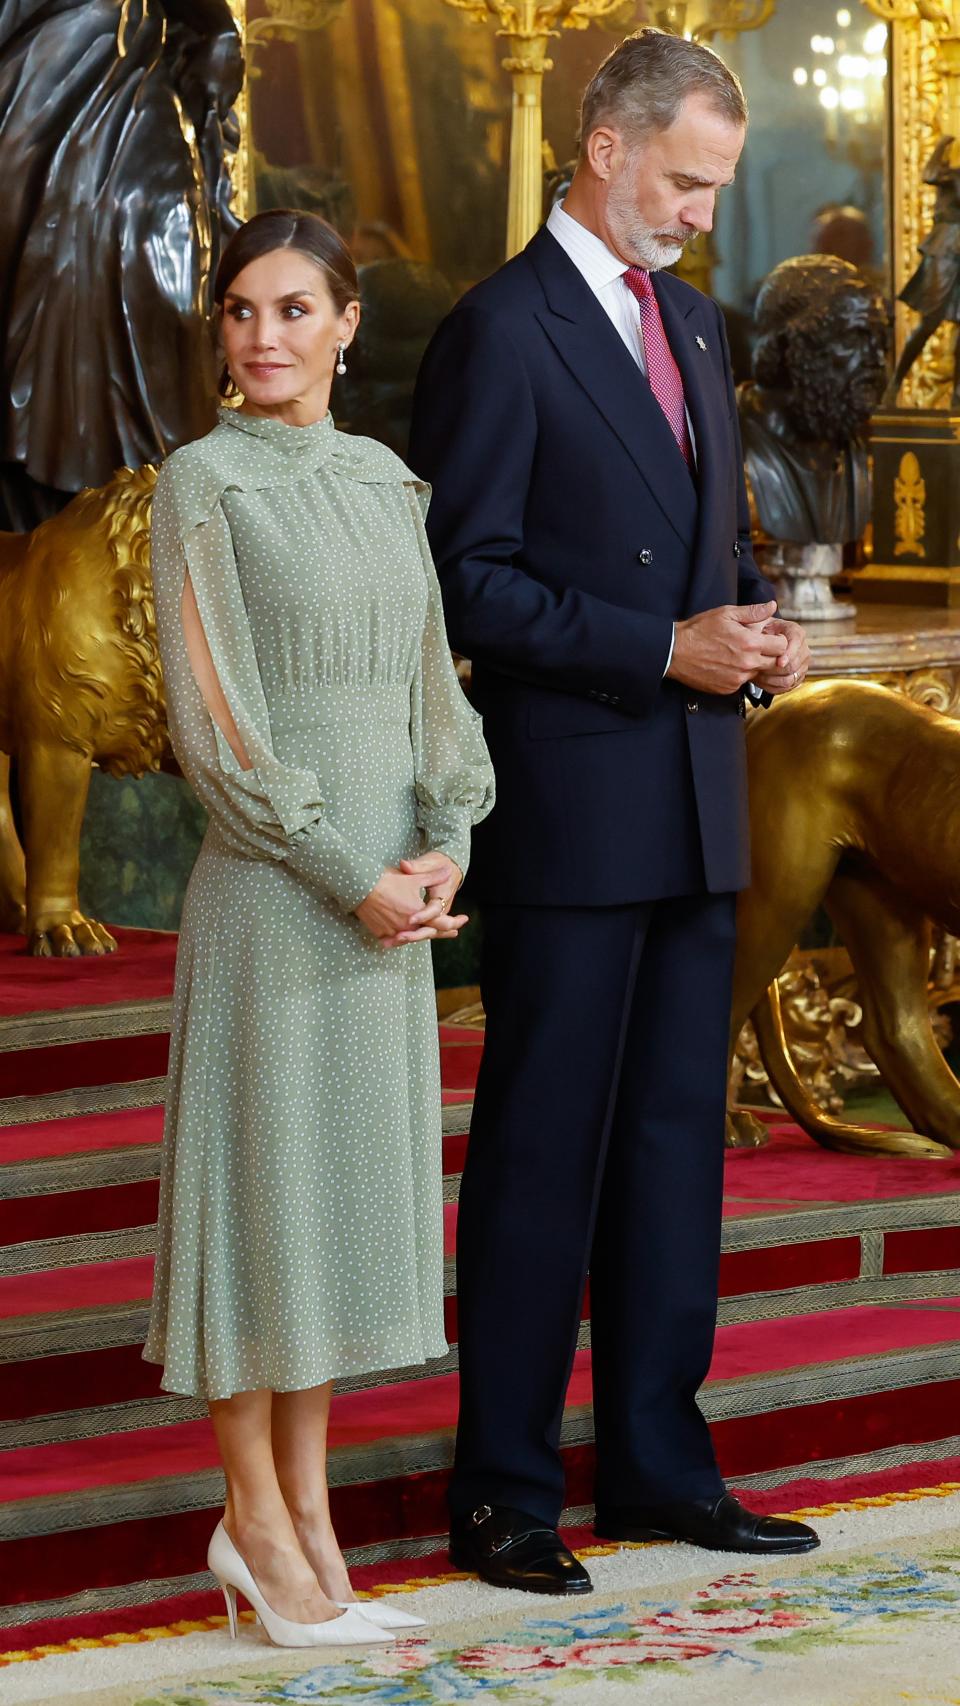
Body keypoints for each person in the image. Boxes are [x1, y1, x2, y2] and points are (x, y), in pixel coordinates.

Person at [409, 27, 816, 1597]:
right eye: (688, 183)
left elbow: (708, 543)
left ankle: (657, 1461)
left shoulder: (694, 323)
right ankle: (503, 1488)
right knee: (541, 1153)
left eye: (718, 186)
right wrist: (660, 647)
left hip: (699, 798)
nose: (706, 215)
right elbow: (466, 581)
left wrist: (752, 626)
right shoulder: (499, 330)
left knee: (670, 1149)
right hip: (573, 810)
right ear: (605, 148)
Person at [143, 208, 494, 1646]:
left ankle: (309, 1517)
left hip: (386, 910)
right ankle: (253, 1519)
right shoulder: (202, 484)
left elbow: (434, 695)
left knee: (332, 1219)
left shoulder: (386, 483)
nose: (264, 336)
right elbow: (217, 731)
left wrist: (446, 840)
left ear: (348, 324)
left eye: (295, 309)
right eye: (242, 310)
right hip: (276, 898)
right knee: (261, 1214)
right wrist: (355, 872)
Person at [0, 0, 241, 532]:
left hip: (125, 62)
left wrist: (218, 30)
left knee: (164, 282)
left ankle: (144, 497)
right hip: (43, 65)